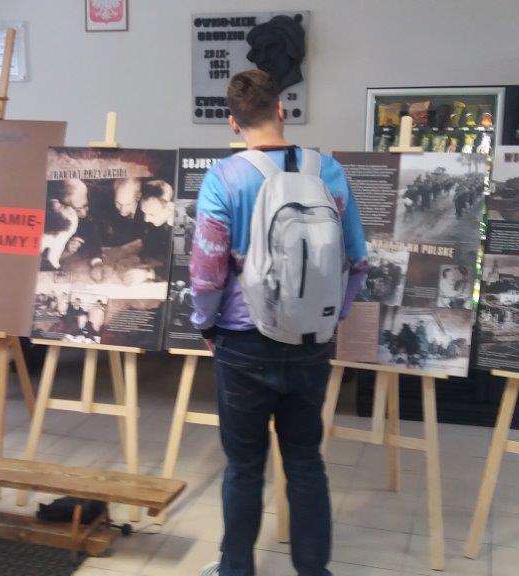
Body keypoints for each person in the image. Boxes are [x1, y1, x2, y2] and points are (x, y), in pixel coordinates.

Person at [190, 69, 367, 576]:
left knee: (244, 466)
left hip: (242, 342)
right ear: (281, 111)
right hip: (311, 340)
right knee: (306, 461)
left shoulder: (224, 178)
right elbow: (358, 261)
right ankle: (313, 571)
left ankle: (235, 570)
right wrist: (332, 317)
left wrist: (206, 325)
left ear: (233, 123)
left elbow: (207, 273)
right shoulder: (329, 171)